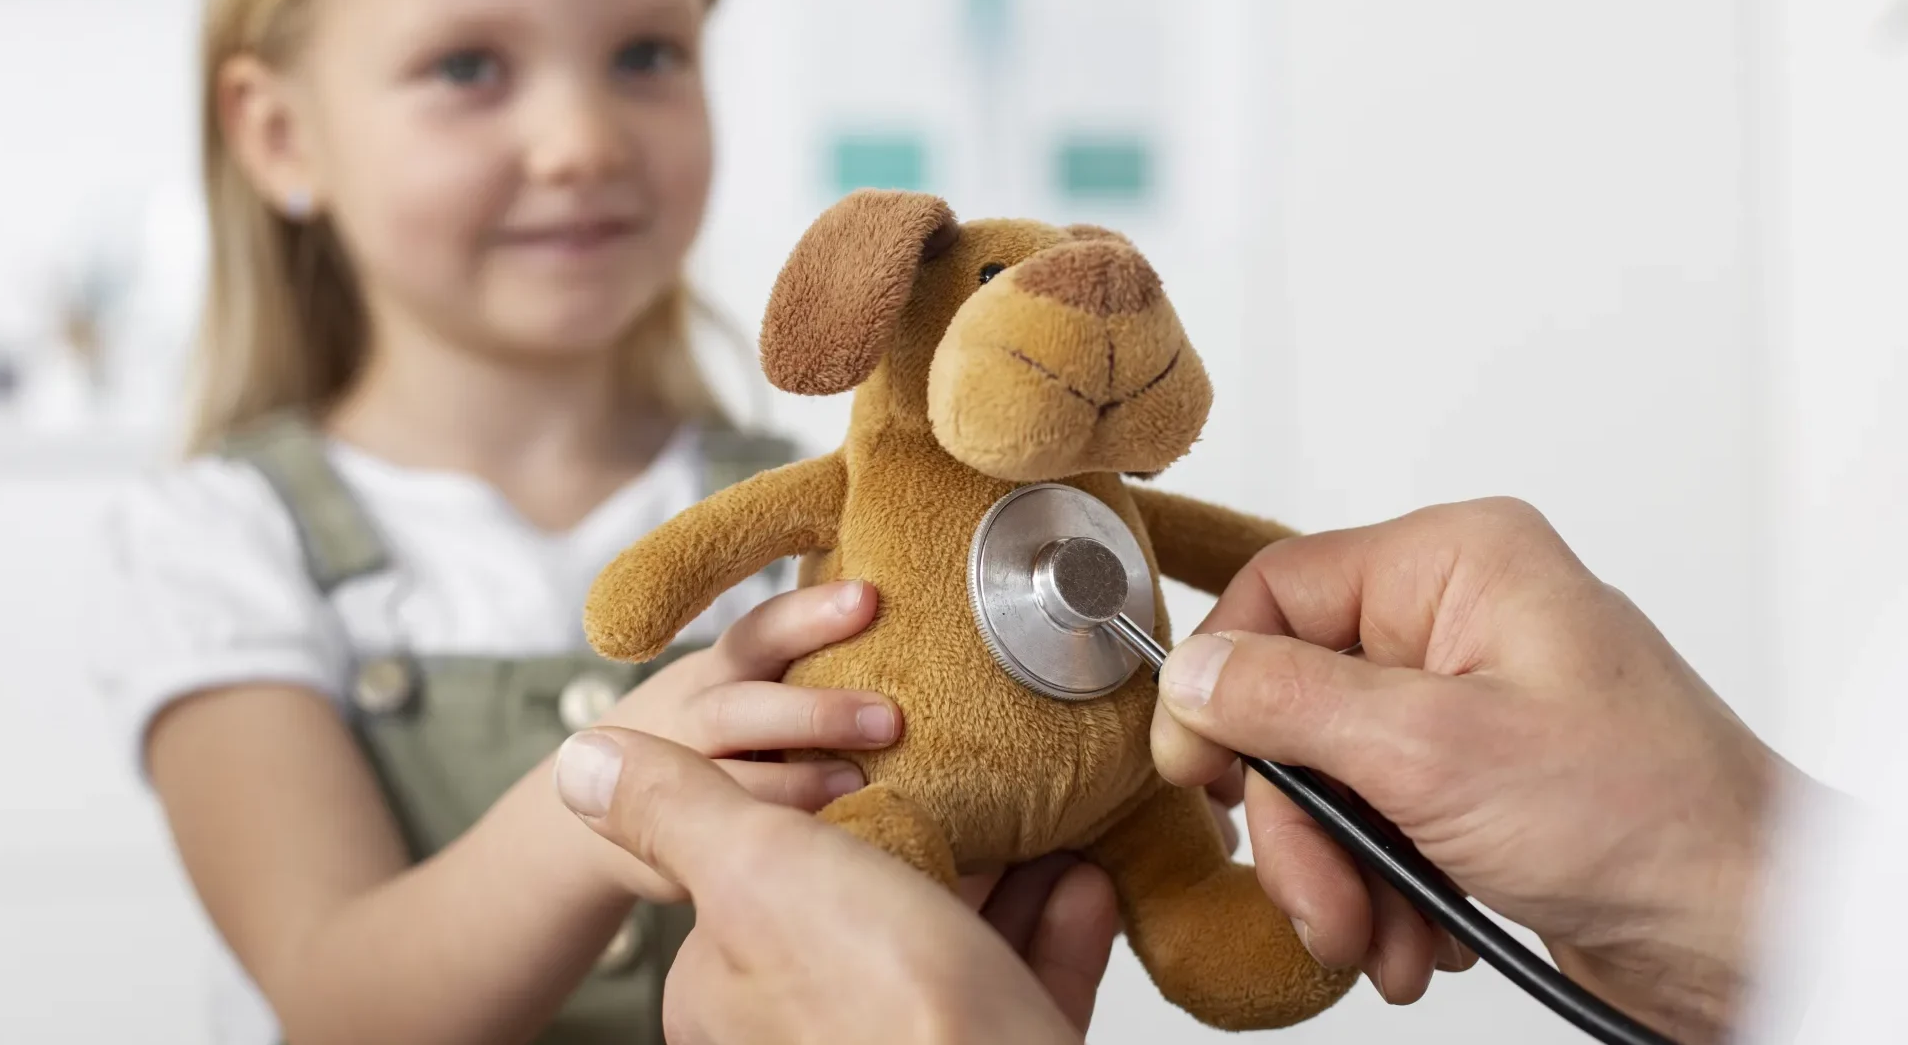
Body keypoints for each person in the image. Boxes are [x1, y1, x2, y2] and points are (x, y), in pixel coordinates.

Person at [80, 0, 1042, 1042]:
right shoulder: (222, 545)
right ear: (278, 135)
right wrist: (608, 793)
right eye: (467, 67)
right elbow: (332, 999)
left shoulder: (818, 521)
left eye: (645, 55)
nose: (583, 139)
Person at [555, 495, 1847, 1045]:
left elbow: (1243, 546)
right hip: (897, 799)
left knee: (1182, 874)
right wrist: (1751, 901)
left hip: (1135, 795)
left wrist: (1737, 898)